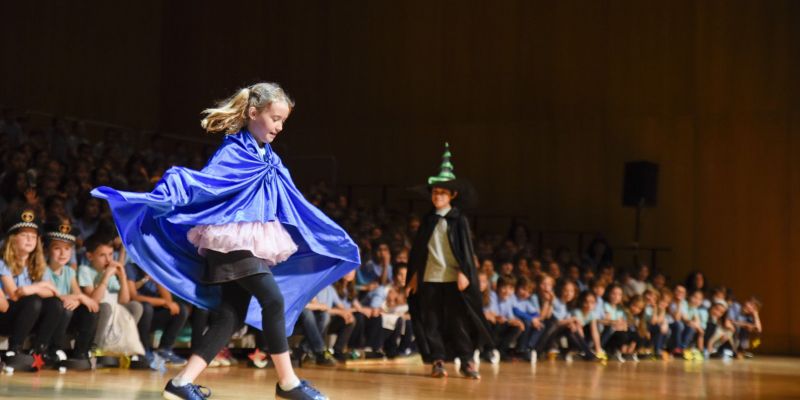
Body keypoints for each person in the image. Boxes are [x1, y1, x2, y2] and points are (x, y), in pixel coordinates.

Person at [92, 82, 359, 400]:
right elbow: (202, 183)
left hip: (251, 242)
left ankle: (180, 384)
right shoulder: (234, 150)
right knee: (273, 300)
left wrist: (330, 235)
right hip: (229, 241)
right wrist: (165, 192)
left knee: (230, 315)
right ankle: (288, 383)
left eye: (283, 121)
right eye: (275, 118)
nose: (279, 126)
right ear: (253, 113)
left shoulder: (270, 158)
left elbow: (295, 202)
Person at [407, 143, 492, 380]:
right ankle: (438, 360)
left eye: (442, 193)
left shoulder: (459, 220)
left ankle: (466, 361)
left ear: (452, 195)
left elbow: (465, 250)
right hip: (430, 277)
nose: (437, 196)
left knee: (459, 321)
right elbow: (419, 251)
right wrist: (414, 275)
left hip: (454, 278)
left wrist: (465, 271)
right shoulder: (428, 220)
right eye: (435, 192)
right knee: (431, 320)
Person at [0, 208, 65, 370]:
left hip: (29, 314)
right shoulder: (3, 263)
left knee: (54, 304)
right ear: (13, 239)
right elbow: (14, 295)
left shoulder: (37, 265)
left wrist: (33, 288)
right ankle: (14, 349)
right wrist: (41, 287)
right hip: (7, 315)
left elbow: (53, 292)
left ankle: (40, 350)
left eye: (33, 236)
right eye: (24, 235)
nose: (30, 240)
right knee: (34, 301)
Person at [43, 218, 100, 370]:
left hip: (64, 314)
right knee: (64, 308)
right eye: (57, 248)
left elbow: (78, 294)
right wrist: (78, 297)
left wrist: (79, 298)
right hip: (47, 316)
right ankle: (52, 349)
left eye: (67, 249)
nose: (63, 253)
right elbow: (50, 295)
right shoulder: (42, 269)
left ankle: (81, 353)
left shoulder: (69, 271)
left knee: (91, 310)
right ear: (47, 250)